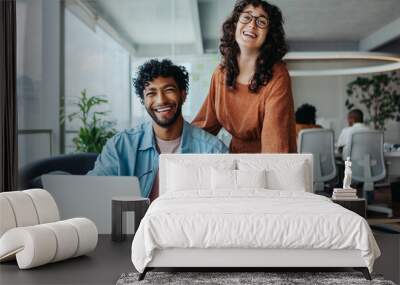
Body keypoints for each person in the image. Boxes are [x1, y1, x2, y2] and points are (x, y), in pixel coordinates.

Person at [88, 59, 228, 201]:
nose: (161, 100)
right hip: (133, 223)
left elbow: (224, 206)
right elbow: (92, 193)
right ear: (143, 101)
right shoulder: (120, 146)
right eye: (151, 93)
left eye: (169, 90)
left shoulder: (213, 151)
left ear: (183, 95)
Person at [192, 0, 296, 153]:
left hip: (271, 165)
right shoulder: (221, 74)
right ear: (235, 24)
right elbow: (205, 126)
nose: (252, 25)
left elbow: (274, 145)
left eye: (261, 21)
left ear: (269, 35)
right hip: (236, 162)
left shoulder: (278, 76)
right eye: (246, 17)